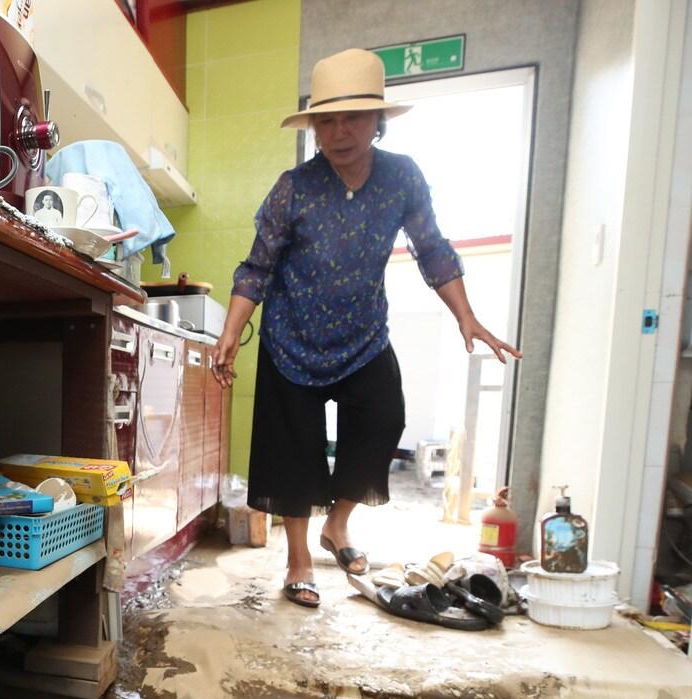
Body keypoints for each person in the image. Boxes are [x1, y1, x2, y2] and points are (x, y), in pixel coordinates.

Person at [210, 48, 521, 608]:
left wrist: (466, 316)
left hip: (363, 336)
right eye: (326, 119)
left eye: (353, 117)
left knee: (382, 419)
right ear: (314, 128)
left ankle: (339, 526)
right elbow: (256, 266)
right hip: (291, 337)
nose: (339, 131)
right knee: (293, 450)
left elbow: (432, 249)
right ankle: (299, 559)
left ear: (378, 120)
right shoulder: (293, 187)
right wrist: (232, 330)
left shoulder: (402, 177)